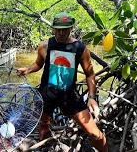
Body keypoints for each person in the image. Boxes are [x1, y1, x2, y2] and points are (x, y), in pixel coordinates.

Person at [17, 12, 108, 152]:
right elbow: (38, 64)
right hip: (46, 94)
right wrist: (27, 70)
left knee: (95, 135)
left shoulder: (80, 49)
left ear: (71, 28)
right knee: (43, 127)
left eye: (64, 29)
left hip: (69, 96)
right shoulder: (44, 46)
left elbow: (90, 74)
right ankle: (45, 147)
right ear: (53, 28)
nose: (60, 33)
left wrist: (92, 97)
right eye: (58, 29)